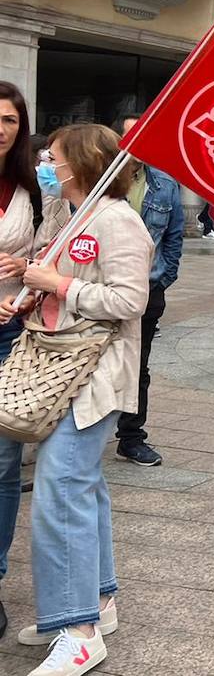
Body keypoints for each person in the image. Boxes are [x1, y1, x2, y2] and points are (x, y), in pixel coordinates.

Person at [1, 124, 153, 674]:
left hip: (93, 378)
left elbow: (131, 299)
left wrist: (59, 285)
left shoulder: (118, 220)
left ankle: (78, 629)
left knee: (59, 491)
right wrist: (34, 288)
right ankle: (99, 600)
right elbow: (63, 279)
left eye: (54, 156)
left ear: (81, 163)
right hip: (61, 369)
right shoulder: (70, 215)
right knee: (81, 487)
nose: (46, 162)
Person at [109, 114, 184, 469]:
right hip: (101, 288)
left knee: (138, 366)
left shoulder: (165, 184)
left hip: (146, 290)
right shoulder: (101, 180)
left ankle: (131, 437)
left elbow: (174, 237)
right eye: (131, 134)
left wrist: (163, 278)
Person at [0, 83, 46, 638]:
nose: (1, 128)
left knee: (4, 466)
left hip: (9, 335)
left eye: (10, 120)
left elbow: (42, 255)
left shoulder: (32, 188)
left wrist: (27, 284)